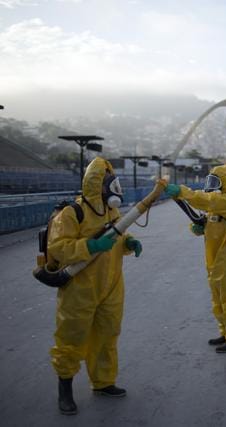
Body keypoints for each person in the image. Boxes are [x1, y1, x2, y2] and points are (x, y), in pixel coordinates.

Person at [48, 157, 142, 415]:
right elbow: (57, 249)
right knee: (71, 337)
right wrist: (89, 246)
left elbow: (117, 237)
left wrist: (129, 243)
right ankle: (64, 389)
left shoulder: (112, 211)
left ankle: (103, 382)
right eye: (108, 182)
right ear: (95, 184)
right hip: (79, 289)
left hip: (111, 285)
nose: (113, 186)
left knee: (107, 334)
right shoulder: (72, 213)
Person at [165, 165, 226, 353]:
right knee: (218, 301)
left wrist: (181, 191)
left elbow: (202, 199)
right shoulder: (215, 208)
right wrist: (198, 229)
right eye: (209, 181)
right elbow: (210, 226)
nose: (211, 186)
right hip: (214, 261)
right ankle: (225, 333)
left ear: (224, 183)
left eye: (215, 182)